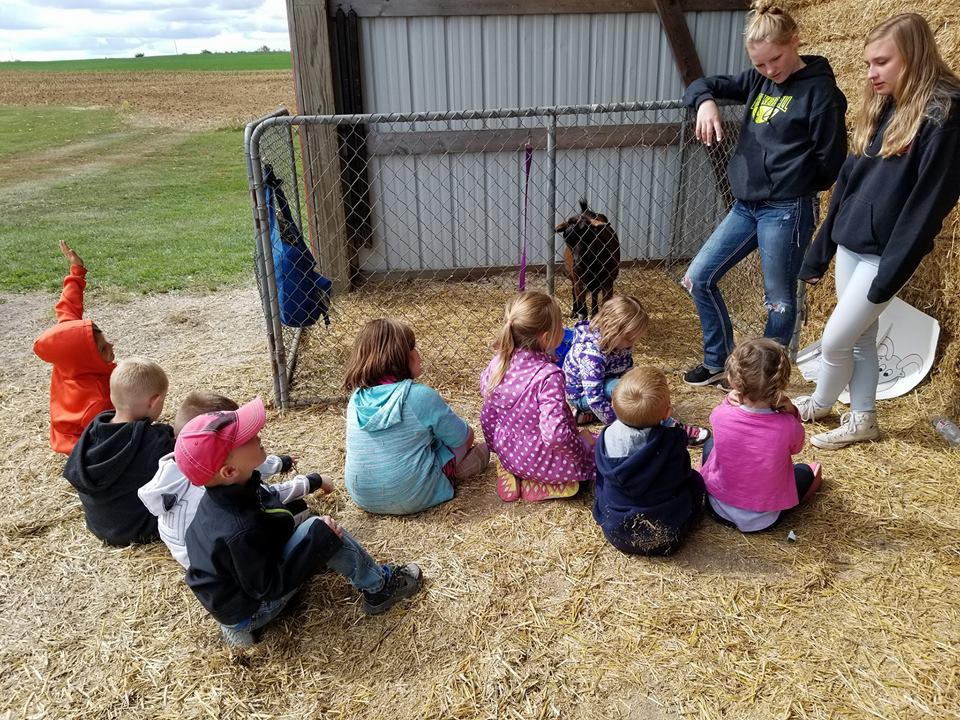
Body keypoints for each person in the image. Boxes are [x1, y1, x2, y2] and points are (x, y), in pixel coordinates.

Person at [795, 13, 960, 449]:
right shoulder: (885, 106)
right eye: (868, 63)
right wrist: (821, 249)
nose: (870, 74)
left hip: (884, 253)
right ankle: (850, 414)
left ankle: (832, 402)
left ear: (913, 58)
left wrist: (891, 272)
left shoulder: (944, 114)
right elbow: (849, 182)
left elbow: (928, 204)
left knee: (836, 339)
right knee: (862, 337)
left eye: (881, 62)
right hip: (853, 240)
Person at [680, 0, 848, 387]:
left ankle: (762, 381)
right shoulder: (759, 81)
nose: (770, 70)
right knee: (698, 277)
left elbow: (830, 160)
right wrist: (705, 102)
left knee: (778, 299)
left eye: (776, 59)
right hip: (746, 206)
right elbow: (701, 84)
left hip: (787, 208)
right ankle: (718, 360)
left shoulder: (820, 92)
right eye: (760, 64)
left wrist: (791, 178)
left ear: (794, 42)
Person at [179, 397, 424, 647]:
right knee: (321, 530)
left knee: (305, 523)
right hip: (254, 607)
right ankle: (379, 587)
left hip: (231, 598)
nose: (257, 434)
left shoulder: (225, 496)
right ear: (229, 471)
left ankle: (237, 627)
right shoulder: (239, 529)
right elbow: (269, 587)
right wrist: (317, 543)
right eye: (247, 438)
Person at [138, 391, 334, 569]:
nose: (255, 436)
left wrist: (281, 463)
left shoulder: (186, 467)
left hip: (194, 559)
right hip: (229, 562)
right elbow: (266, 493)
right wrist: (311, 482)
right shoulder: (220, 492)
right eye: (243, 435)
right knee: (295, 511)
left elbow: (254, 466)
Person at [343, 318, 489, 515]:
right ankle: (460, 472)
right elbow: (464, 438)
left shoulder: (355, 399)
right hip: (412, 495)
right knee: (464, 444)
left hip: (363, 497)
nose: (418, 354)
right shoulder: (419, 396)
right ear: (403, 357)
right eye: (413, 347)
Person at [480, 291, 595, 503]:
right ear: (546, 337)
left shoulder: (498, 362)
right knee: (594, 454)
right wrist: (579, 453)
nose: (563, 329)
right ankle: (545, 484)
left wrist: (496, 448)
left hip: (508, 454)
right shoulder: (548, 376)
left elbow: (487, 415)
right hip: (541, 461)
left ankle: (513, 473)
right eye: (560, 326)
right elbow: (555, 435)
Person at [701, 339, 822, 533]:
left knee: (711, 444)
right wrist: (792, 412)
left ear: (734, 381)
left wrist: (727, 400)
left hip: (716, 508)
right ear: (781, 384)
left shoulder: (720, 415)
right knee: (804, 472)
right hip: (764, 519)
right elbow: (797, 447)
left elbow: (729, 427)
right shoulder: (787, 425)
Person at [562, 295, 710, 446]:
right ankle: (671, 427)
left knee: (639, 388)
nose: (631, 344)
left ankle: (588, 416)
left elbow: (628, 372)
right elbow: (594, 398)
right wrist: (625, 424)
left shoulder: (621, 344)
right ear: (613, 330)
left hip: (603, 385)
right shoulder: (592, 354)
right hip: (582, 396)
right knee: (624, 391)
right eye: (629, 338)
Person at [593, 367, 705, 555]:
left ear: (612, 403)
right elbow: (683, 475)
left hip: (616, 530)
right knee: (695, 481)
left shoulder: (605, 437)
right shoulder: (672, 440)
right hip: (668, 534)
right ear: (667, 413)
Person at [63, 358, 172, 546]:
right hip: (139, 529)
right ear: (154, 401)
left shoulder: (94, 429)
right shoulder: (153, 442)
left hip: (100, 527)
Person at [33, 240, 116, 454]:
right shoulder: (99, 399)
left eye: (105, 340)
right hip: (81, 443)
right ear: (87, 360)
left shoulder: (68, 356)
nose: (111, 346)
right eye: (103, 349)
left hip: (63, 428)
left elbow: (67, 308)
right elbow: (111, 434)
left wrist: (76, 271)